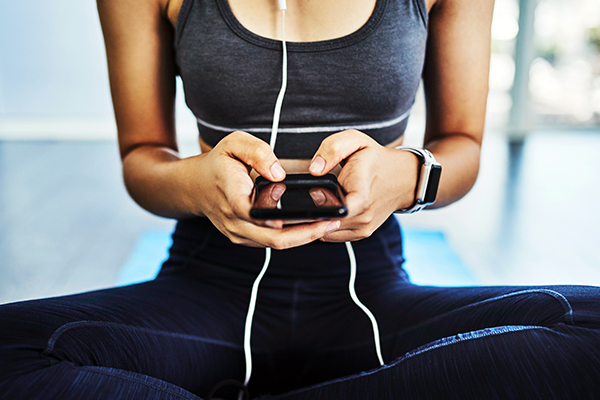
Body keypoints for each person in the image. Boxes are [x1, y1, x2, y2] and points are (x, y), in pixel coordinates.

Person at [1, 0, 600, 398]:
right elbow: (142, 156)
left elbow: (463, 145)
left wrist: (409, 175)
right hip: (206, 291)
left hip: (370, 294)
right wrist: (196, 182)